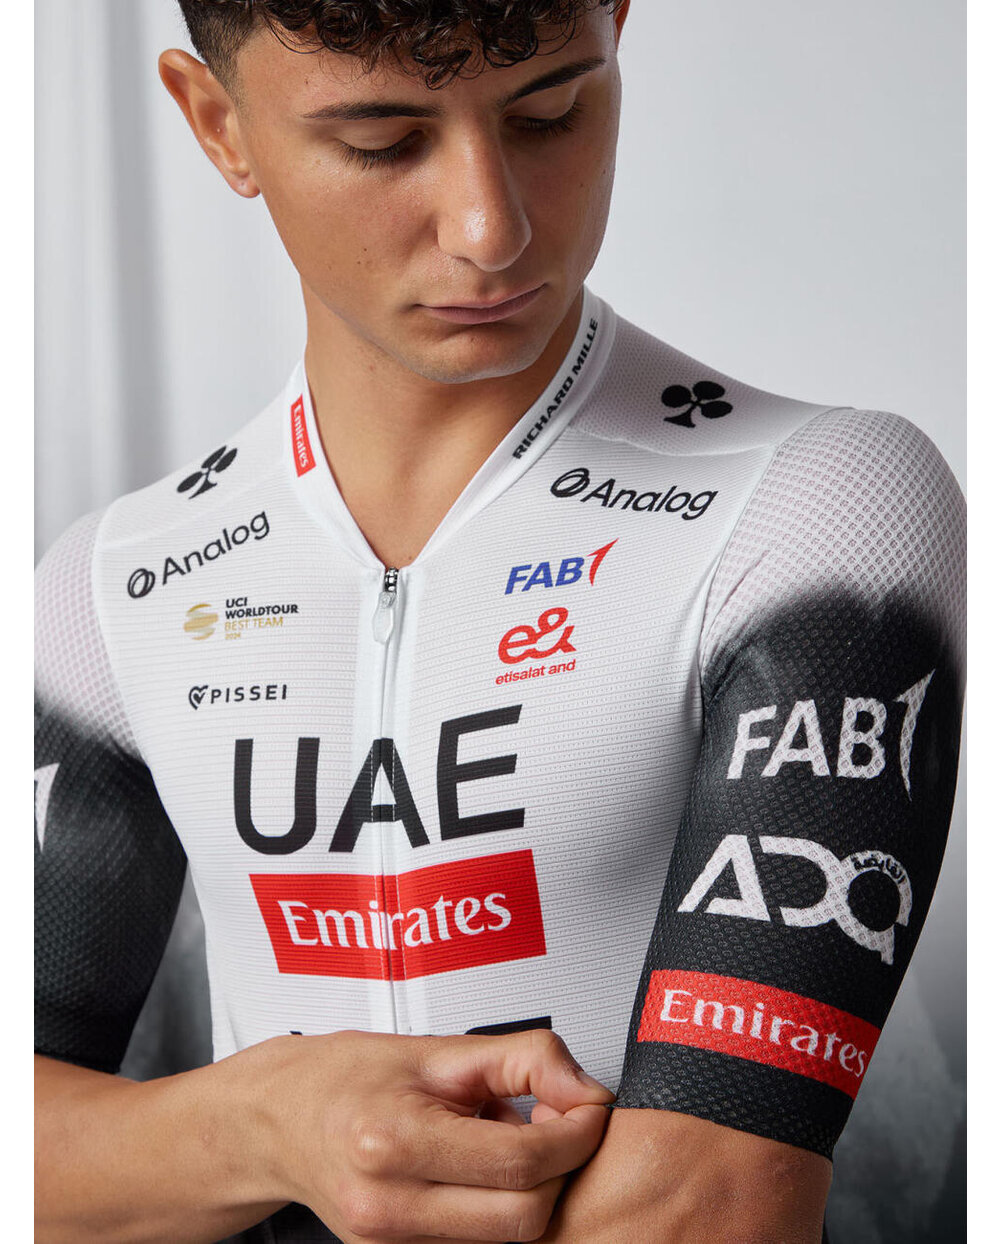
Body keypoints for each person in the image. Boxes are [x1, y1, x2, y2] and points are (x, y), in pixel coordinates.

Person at [34, 1, 965, 1241]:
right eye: (381, 141)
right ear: (219, 126)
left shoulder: (818, 506)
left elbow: (715, 1199)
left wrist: (187, 1156)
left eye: (549, 113)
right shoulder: (115, 582)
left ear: (616, 30)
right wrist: (268, 1120)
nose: (492, 227)